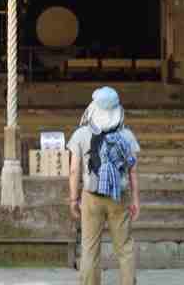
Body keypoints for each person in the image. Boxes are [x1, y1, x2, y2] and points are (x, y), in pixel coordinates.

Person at [68, 86, 139, 285]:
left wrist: (73, 199)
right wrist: (135, 200)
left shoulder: (81, 135)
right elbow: (133, 171)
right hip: (120, 196)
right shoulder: (127, 136)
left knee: (90, 248)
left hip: (91, 196)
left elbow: (74, 171)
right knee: (124, 248)